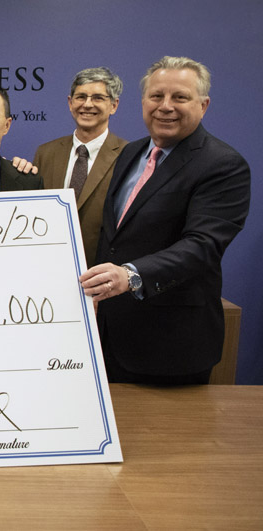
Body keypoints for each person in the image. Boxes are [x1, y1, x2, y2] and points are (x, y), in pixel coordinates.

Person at [80, 56, 250, 385]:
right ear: (143, 101)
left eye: (180, 97)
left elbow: (202, 246)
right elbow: (114, 238)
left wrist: (129, 276)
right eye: (156, 96)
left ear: (204, 105)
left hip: (170, 347)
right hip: (108, 337)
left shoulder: (223, 165)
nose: (165, 106)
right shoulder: (131, 153)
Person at [33, 68, 127, 265]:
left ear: (114, 105)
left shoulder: (128, 155)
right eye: (81, 97)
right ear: (70, 103)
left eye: (98, 98)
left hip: (103, 273)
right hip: (48, 267)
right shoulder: (46, 153)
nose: (87, 104)